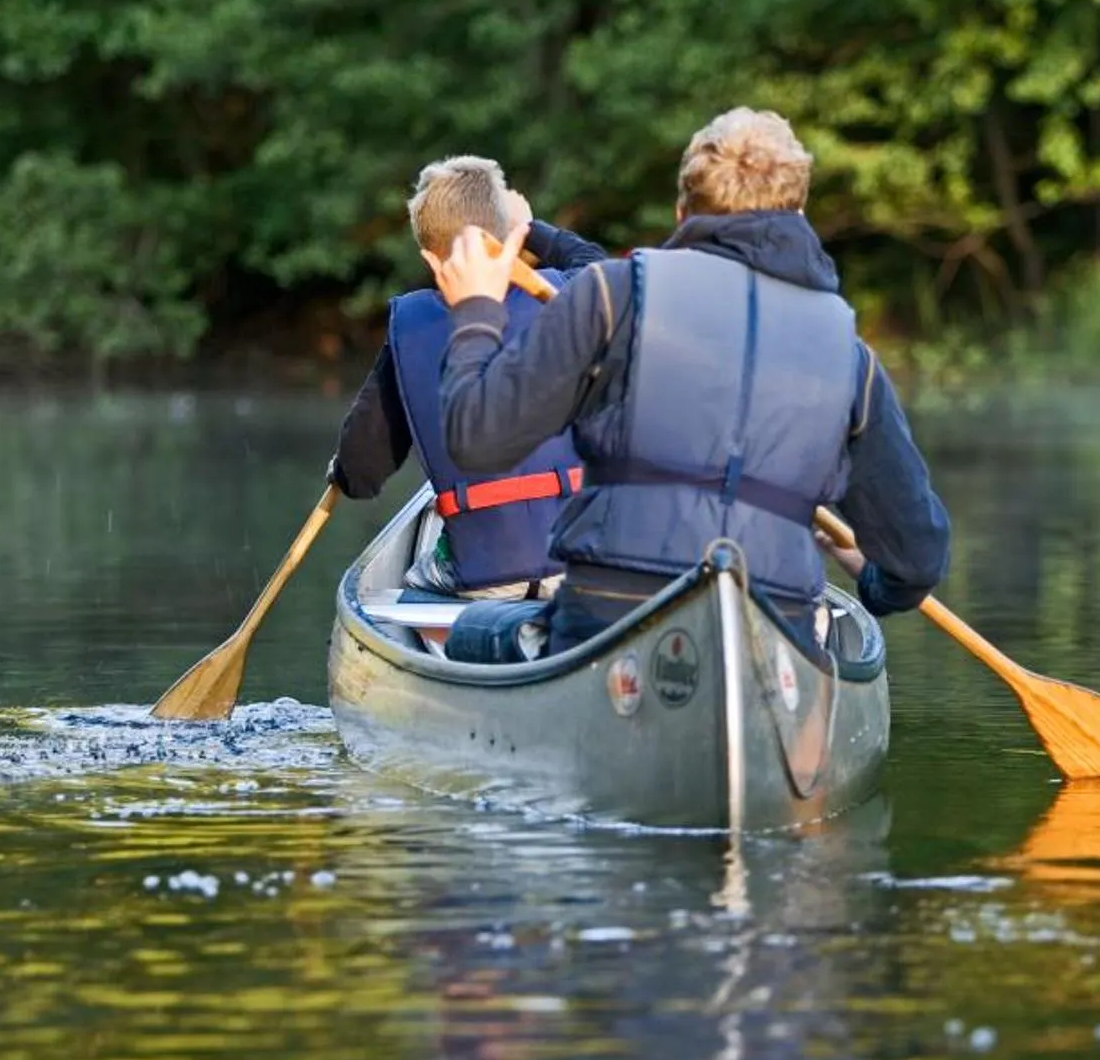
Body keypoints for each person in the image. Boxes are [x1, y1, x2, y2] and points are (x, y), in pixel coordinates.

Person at [424, 108, 951, 662]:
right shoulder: (849, 355)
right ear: (799, 212)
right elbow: (916, 563)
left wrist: (477, 310)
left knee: (471, 633)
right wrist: (877, 585)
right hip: (772, 624)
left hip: (609, 616)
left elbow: (476, 440)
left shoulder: (610, 297)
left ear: (682, 212)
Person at [325, 156, 596, 601]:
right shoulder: (569, 291)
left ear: (430, 258)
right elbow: (592, 259)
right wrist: (533, 227)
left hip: (484, 577)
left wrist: (341, 471)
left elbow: (363, 474)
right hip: (580, 565)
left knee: (415, 579)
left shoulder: (409, 330)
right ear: (510, 238)